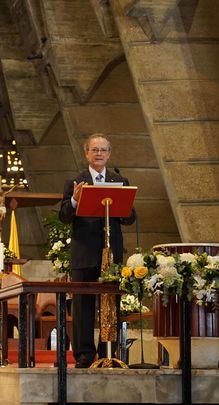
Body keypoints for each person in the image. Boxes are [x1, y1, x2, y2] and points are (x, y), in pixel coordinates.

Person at [59, 133, 136, 368]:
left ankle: (108, 352)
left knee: (110, 304)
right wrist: (73, 200)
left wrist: (124, 204)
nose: (99, 153)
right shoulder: (76, 181)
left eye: (103, 150)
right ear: (87, 154)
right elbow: (63, 216)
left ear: (109, 153)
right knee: (83, 305)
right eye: (95, 150)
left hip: (111, 254)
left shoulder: (120, 181)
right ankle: (84, 355)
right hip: (84, 253)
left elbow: (130, 217)